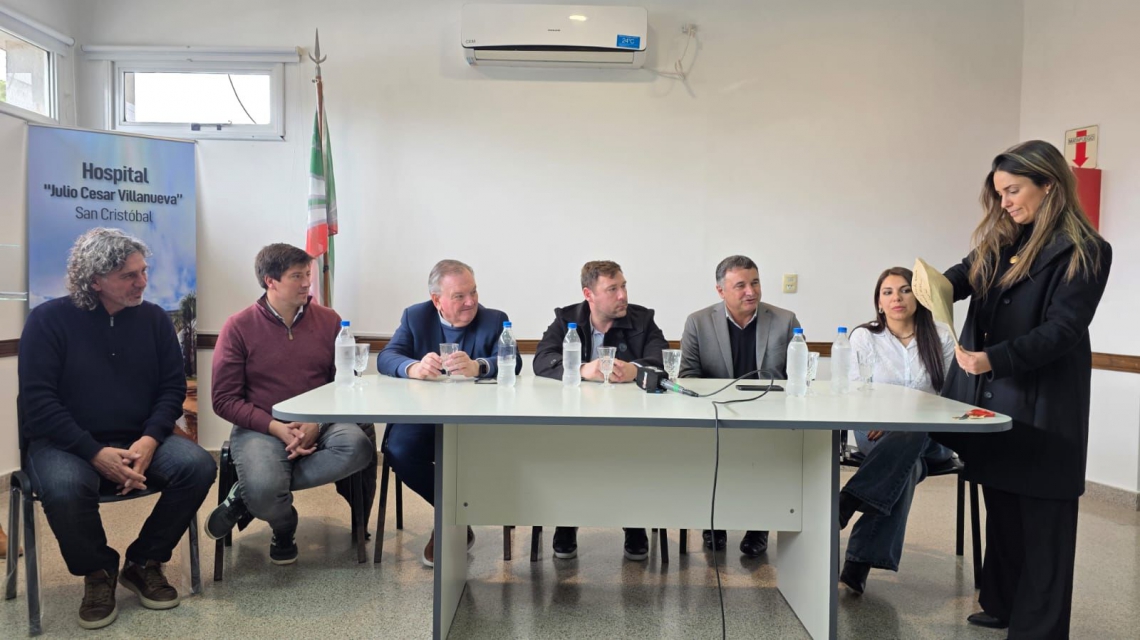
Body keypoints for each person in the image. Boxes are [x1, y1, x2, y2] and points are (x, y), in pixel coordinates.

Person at [931, 140, 1111, 637]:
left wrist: (994, 359)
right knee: (1004, 508)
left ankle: (1039, 628)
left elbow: (1063, 330)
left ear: (1048, 184)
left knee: (1044, 522)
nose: (1004, 201)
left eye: (1013, 190)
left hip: (1046, 405)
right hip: (997, 401)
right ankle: (1002, 603)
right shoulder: (1004, 239)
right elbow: (962, 276)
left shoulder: (1086, 249)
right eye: (999, 193)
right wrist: (928, 288)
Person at [17, 228, 216, 630]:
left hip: (139, 436)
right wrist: (93, 452)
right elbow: (39, 403)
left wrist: (149, 439)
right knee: (65, 488)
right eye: (129, 275)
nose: (142, 282)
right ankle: (98, 571)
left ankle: (144, 562)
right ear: (95, 280)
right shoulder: (47, 321)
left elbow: (172, 389)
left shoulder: (155, 320)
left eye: (143, 271)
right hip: (64, 444)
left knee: (198, 466)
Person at [207, 243, 373, 565]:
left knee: (359, 448)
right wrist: (276, 428)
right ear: (270, 281)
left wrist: (317, 424)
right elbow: (224, 400)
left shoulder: (329, 321)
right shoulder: (238, 327)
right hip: (261, 426)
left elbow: (345, 382)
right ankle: (283, 526)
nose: (307, 283)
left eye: (308, 274)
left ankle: (249, 492)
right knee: (264, 488)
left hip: (323, 421)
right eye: (297, 276)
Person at [376, 259, 521, 566]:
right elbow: (387, 356)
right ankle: (455, 515)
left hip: (478, 423)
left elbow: (513, 361)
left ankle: (449, 520)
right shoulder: (415, 316)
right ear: (436, 300)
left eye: (473, 292)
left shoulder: (495, 320)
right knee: (398, 450)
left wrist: (479, 366)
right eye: (459, 296)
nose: (471, 302)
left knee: (488, 453)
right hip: (425, 419)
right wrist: (413, 367)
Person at [533, 260, 669, 561]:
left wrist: (635, 370)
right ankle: (566, 520)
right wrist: (582, 369)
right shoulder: (566, 319)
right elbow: (542, 359)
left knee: (633, 453)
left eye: (623, 286)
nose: (623, 295)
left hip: (630, 421)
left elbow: (661, 359)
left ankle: (634, 522)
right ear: (589, 294)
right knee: (564, 451)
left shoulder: (643, 319)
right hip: (575, 420)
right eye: (612, 289)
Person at [835, 267, 958, 595]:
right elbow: (854, 390)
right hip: (876, 429)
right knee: (909, 467)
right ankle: (857, 564)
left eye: (905, 290)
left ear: (918, 296)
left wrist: (904, 419)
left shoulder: (942, 336)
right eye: (887, 292)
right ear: (878, 302)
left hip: (932, 435)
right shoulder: (865, 337)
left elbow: (950, 397)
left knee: (913, 429)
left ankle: (849, 499)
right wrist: (882, 418)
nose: (896, 298)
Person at [678, 254, 800, 557]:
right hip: (718, 413)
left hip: (770, 417)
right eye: (741, 285)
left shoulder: (785, 320)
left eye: (755, 283)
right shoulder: (698, 322)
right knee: (708, 453)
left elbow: (799, 376)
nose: (751, 291)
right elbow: (688, 376)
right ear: (721, 291)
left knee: (772, 457)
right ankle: (714, 523)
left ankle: (759, 526)